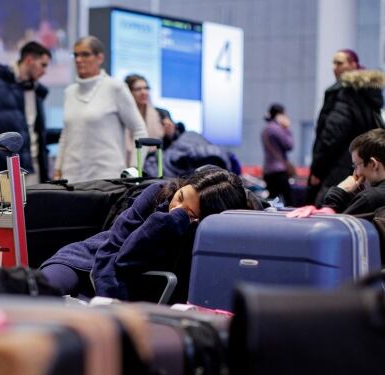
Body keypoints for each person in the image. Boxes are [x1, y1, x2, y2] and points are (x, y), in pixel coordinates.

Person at [40, 166, 248, 299]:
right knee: (39, 294)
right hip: (87, 261)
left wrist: (170, 224)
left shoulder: (210, 236)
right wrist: (110, 306)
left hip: (135, 288)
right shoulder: (156, 194)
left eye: (188, 212)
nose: (176, 209)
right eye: (180, 196)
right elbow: (113, 253)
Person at [53, 36, 147, 183]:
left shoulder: (115, 87)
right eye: (76, 55)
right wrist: (58, 168)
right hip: (70, 179)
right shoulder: (69, 92)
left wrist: (135, 169)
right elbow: (67, 134)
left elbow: (139, 129)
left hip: (107, 181)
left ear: (99, 58)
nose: (78, 60)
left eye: (85, 54)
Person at [309, 49, 385, 205]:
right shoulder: (370, 94)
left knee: (324, 214)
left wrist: (317, 169)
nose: (334, 67)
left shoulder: (344, 93)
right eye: (333, 63)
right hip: (366, 171)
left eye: (339, 62)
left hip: (337, 169)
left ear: (353, 64)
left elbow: (331, 135)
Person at [0, 41, 52, 182]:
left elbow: (35, 130)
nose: (45, 71)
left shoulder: (36, 90)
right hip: (2, 169)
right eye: (43, 65)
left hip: (33, 168)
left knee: (33, 204)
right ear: (29, 60)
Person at [322, 128, 385, 214]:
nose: (355, 174)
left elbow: (332, 225)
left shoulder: (369, 199)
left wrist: (338, 192)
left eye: (356, 166)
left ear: (373, 164)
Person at [124, 74, 164, 166]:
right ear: (129, 92)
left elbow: (171, 140)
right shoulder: (121, 116)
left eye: (146, 88)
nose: (144, 92)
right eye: (138, 89)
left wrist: (170, 132)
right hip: (125, 164)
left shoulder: (161, 113)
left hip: (154, 165)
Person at [261, 103, 294, 205]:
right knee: (289, 201)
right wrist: (286, 128)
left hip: (268, 170)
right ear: (280, 114)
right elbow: (289, 145)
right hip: (279, 171)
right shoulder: (277, 129)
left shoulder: (266, 129)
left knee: (272, 201)